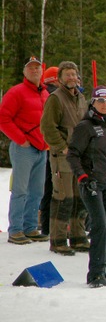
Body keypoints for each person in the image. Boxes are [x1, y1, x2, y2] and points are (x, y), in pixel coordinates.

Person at [67, 86, 106, 288]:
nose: (105, 104)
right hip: (91, 183)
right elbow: (72, 154)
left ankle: (103, 269)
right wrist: (82, 176)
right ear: (93, 103)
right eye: (101, 101)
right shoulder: (86, 126)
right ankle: (95, 273)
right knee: (98, 226)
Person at [40, 61, 90, 256]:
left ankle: (78, 236)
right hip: (62, 156)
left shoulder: (81, 98)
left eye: (74, 74)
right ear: (60, 78)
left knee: (79, 197)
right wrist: (62, 147)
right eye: (67, 75)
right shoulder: (55, 98)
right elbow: (47, 127)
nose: (71, 78)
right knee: (63, 197)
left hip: (80, 156)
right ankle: (58, 239)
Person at [0, 56, 49, 244]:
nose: (35, 71)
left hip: (41, 148)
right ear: (25, 72)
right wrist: (21, 140)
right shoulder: (16, 92)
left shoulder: (44, 93)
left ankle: (30, 227)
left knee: (37, 190)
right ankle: (16, 229)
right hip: (24, 149)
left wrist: (48, 142)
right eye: (31, 68)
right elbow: (3, 119)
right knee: (20, 189)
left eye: (37, 68)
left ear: (42, 71)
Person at [38, 66, 60, 236]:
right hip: (52, 148)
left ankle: (45, 224)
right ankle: (47, 225)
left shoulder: (44, 94)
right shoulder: (53, 96)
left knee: (47, 187)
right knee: (52, 187)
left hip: (45, 146)